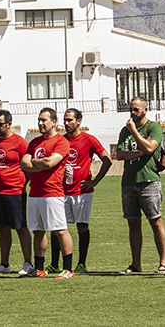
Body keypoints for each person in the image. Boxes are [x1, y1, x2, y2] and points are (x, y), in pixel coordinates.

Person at [47, 108, 111, 274]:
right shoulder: (60, 141)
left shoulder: (88, 139)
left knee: (82, 227)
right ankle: (54, 264)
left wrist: (95, 181)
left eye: (70, 120)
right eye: (65, 120)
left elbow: (107, 160)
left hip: (82, 192)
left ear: (79, 121)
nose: (66, 123)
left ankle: (81, 264)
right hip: (61, 191)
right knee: (57, 228)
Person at [114, 96, 165, 274]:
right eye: (131, 109)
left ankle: (163, 263)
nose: (133, 112)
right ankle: (136, 264)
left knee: (155, 221)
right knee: (133, 224)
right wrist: (139, 152)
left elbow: (150, 148)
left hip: (149, 181)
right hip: (129, 181)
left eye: (136, 109)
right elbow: (119, 154)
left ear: (145, 110)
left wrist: (135, 133)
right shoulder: (124, 131)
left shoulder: (154, 127)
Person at [21, 107, 74, 278]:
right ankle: (39, 269)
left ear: (54, 122)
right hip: (34, 194)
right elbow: (24, 164)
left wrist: (36, 162)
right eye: (39, 120)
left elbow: (50, 162)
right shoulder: (34, 142)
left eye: (44, 120)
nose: (40, 123)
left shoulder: (61, 142)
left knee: (60, 230)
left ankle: (68, 269)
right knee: (38, 231)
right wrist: (41, 166)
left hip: (53, 193)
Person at [0, 109, 34, 276]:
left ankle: (28, 264)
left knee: (20, 227)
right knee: (3, 229)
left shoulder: (20, 143)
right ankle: (4, 264)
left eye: (0, 124)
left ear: (9, 124)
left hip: (15, 192)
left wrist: (20, 183)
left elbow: (28, 166)